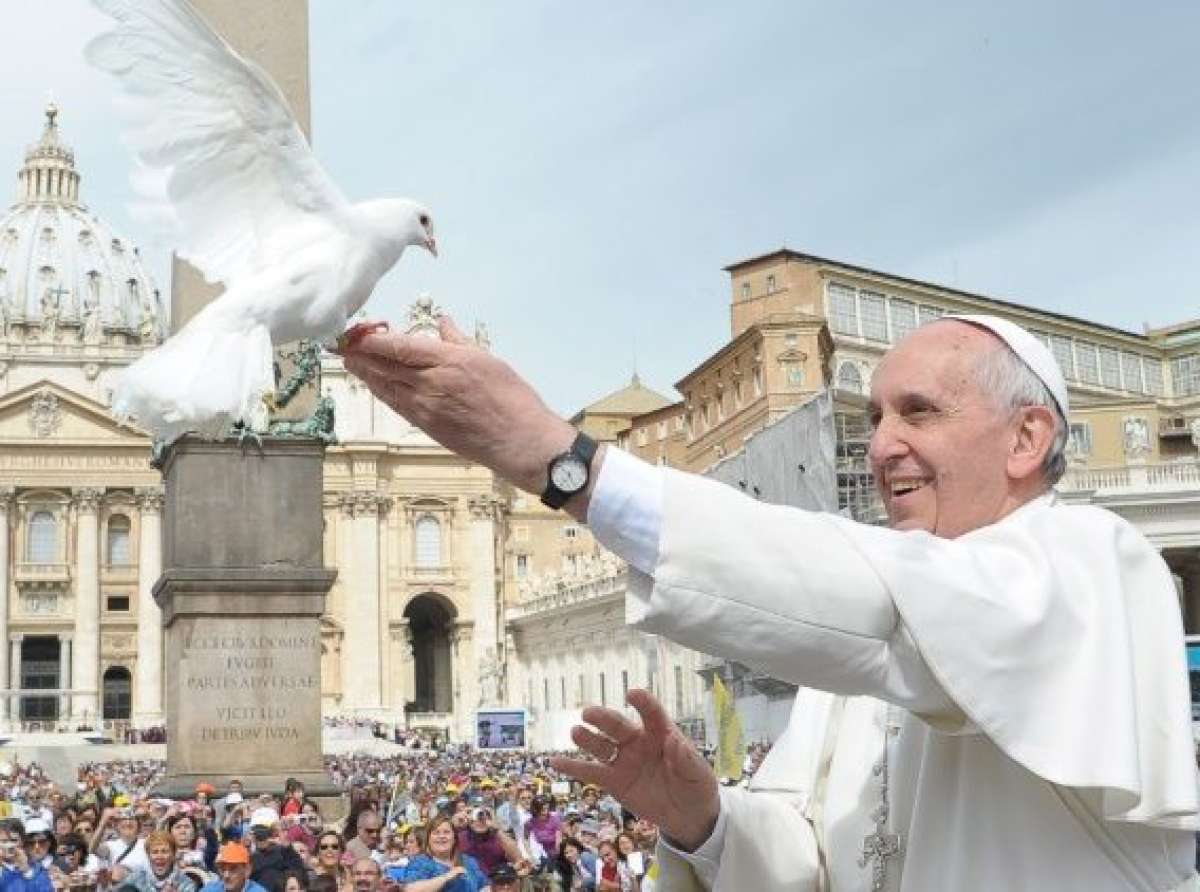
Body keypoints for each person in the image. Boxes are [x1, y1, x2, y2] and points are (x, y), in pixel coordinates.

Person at [340, 314, 1199, 890]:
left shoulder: (1095, 561)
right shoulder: (866, 651)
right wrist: (702, 818)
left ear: (1027, 437)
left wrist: (571, 468)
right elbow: (811, 858)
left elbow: (892, 604)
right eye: (877, 414)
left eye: (921, 411)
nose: (884, 441)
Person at [388, 816, 486, 892]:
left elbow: (485, 886)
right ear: (428, 839)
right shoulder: (420, 862)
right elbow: (410, 889)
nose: (441, 836)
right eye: (436, 833)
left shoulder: (468, 861)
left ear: (454, 838)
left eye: (446, 832)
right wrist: (447, 876)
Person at [113, 830, 198, 892]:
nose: (159, 856)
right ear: (148, 856)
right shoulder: (136, 877)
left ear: (173, 855)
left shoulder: (186, 883)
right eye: (155, 852)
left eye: (164, 851)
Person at [248, 810, 304, 892]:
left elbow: (299, 873)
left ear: (274, 832)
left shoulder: (285, 853)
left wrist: (287, 847)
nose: (261, 836)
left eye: (265, 831)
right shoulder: (249, 859)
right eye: (257, 832)